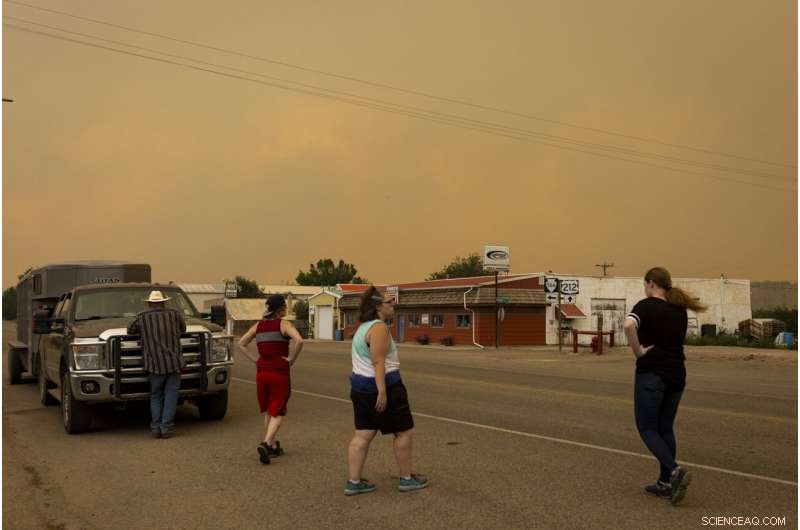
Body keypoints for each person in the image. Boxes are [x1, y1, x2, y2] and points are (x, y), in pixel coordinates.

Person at [623, 267, 706, 505]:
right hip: (677, 374)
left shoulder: (646, 305)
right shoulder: (679, 310)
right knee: (665, 428)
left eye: (645, 284)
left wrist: (638, 351)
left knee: (647, 428)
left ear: (651, 284)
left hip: (652, 374)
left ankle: (674, 471)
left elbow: (629, 325)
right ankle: (664, 483)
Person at [345, 286, 427, 496]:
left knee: (363, 434)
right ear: (377, 306)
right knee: (403, 430)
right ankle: (407, 479)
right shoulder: (379, 327)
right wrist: (382, 392)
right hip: (384, 387)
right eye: (389, 301)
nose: (393, 305)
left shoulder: (362, 328)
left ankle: (354, 482)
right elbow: (378, 361)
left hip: (360, 388)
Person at [237, 294, 304, 465]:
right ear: (280, 309)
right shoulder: (284, 324)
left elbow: (240, 344)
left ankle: (273, 445)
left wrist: (255, 360)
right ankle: (266, 443)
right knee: (279, 410)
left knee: (269, 409)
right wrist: (292, 360)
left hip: (262, 373)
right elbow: (299, 340)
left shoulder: (258, 326)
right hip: (279, 372)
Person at [127, 290, 187, 439]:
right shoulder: (175, 314)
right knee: (171, 395)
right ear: (164, 302)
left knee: (156, 395)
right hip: (173, 362)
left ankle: (155, 428)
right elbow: (183, 329)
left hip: (154, 364)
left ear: (149, 303)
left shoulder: (142, 317)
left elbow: (130, 330)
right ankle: (166, 428)